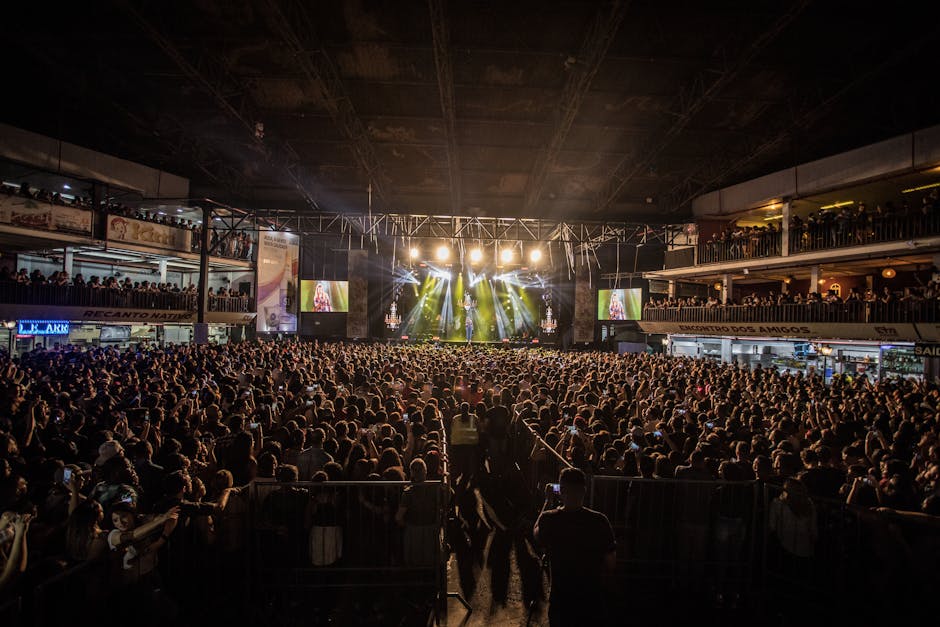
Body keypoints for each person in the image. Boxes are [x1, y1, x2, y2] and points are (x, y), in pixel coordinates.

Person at [534, 468, 616, 625]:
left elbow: (537, 535)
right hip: (592, 600)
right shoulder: (599, 521)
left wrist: (547, 502)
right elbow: (611, 563)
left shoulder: (549, 519)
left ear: (561, 490)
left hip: (561, 600)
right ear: (584, 491)